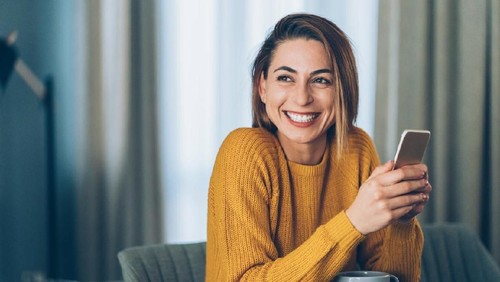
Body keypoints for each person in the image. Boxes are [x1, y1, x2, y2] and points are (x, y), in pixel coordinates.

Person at [206, 13, 432, 281]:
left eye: (321, 80)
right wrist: (352, 223)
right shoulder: (243, 153)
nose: (302, 98)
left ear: (342, 90)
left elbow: (393, 278)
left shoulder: (355, 149)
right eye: (286, 78)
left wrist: (400, 220)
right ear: (262, 87)